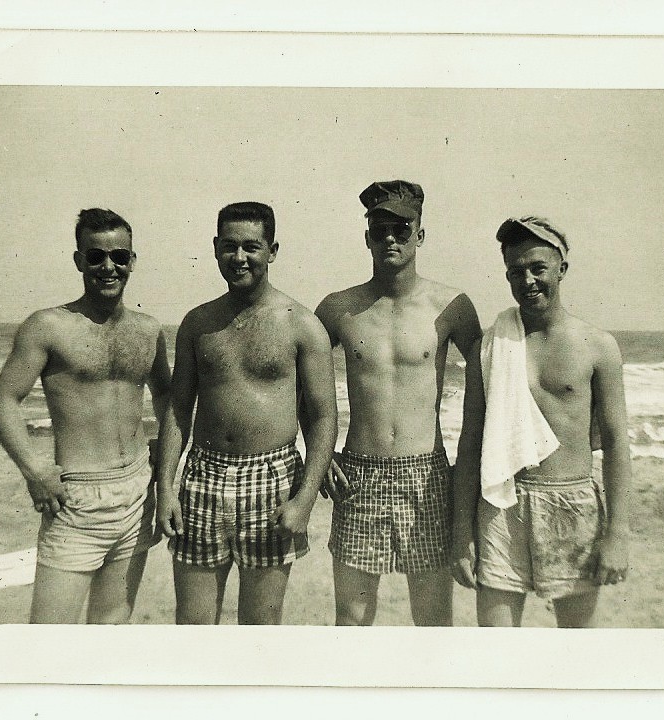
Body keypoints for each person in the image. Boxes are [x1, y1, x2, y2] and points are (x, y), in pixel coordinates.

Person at [155, 201, 337, 625]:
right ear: (215, 248)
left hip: (272, 480)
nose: (239, 258)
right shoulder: (197, 323)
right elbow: (178, 409)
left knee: (260, 629)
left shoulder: (301, 324)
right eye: (229, 246)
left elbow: (324, 417)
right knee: (193, 626)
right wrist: (165, 488)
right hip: (204, 477)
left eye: (251, 247)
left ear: (272, 251)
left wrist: (305, 500)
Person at [0, 208, 171, 624]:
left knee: (112, 624)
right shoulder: (47, 326)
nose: (108, 267)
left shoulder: (148, 330)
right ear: (79, 260)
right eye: (96, 256)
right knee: (50, 634)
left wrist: (166, 452)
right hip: (76, 500)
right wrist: (35, 469)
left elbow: (166, 394)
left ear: (132, 261)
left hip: (138, 493)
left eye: (119, 256)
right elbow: (3, 401)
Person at [451, 216, 632, 627]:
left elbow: (617, 443)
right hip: (501, 504)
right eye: (516, 272)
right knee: (496, 647)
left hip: (573, 502)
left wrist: (618, 534)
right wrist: (462, 533)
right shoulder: (489, 347)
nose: (528, 280)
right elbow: (470, 443)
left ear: (561, 269)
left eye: (538, 268)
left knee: (575, 647)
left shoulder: (598, 346)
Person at [314, 180, 481, 626]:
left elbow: (491, 379)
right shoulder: (338, 308)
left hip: (426, 474)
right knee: (352, 619)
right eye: (380, 229)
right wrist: (318, 453)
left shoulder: (452, 306)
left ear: (420, 235)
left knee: (432, 620)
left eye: (402, 229)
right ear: (367, 237)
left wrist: (476, 463)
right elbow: (293, 377)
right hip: (358, 474)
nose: (391, 238)